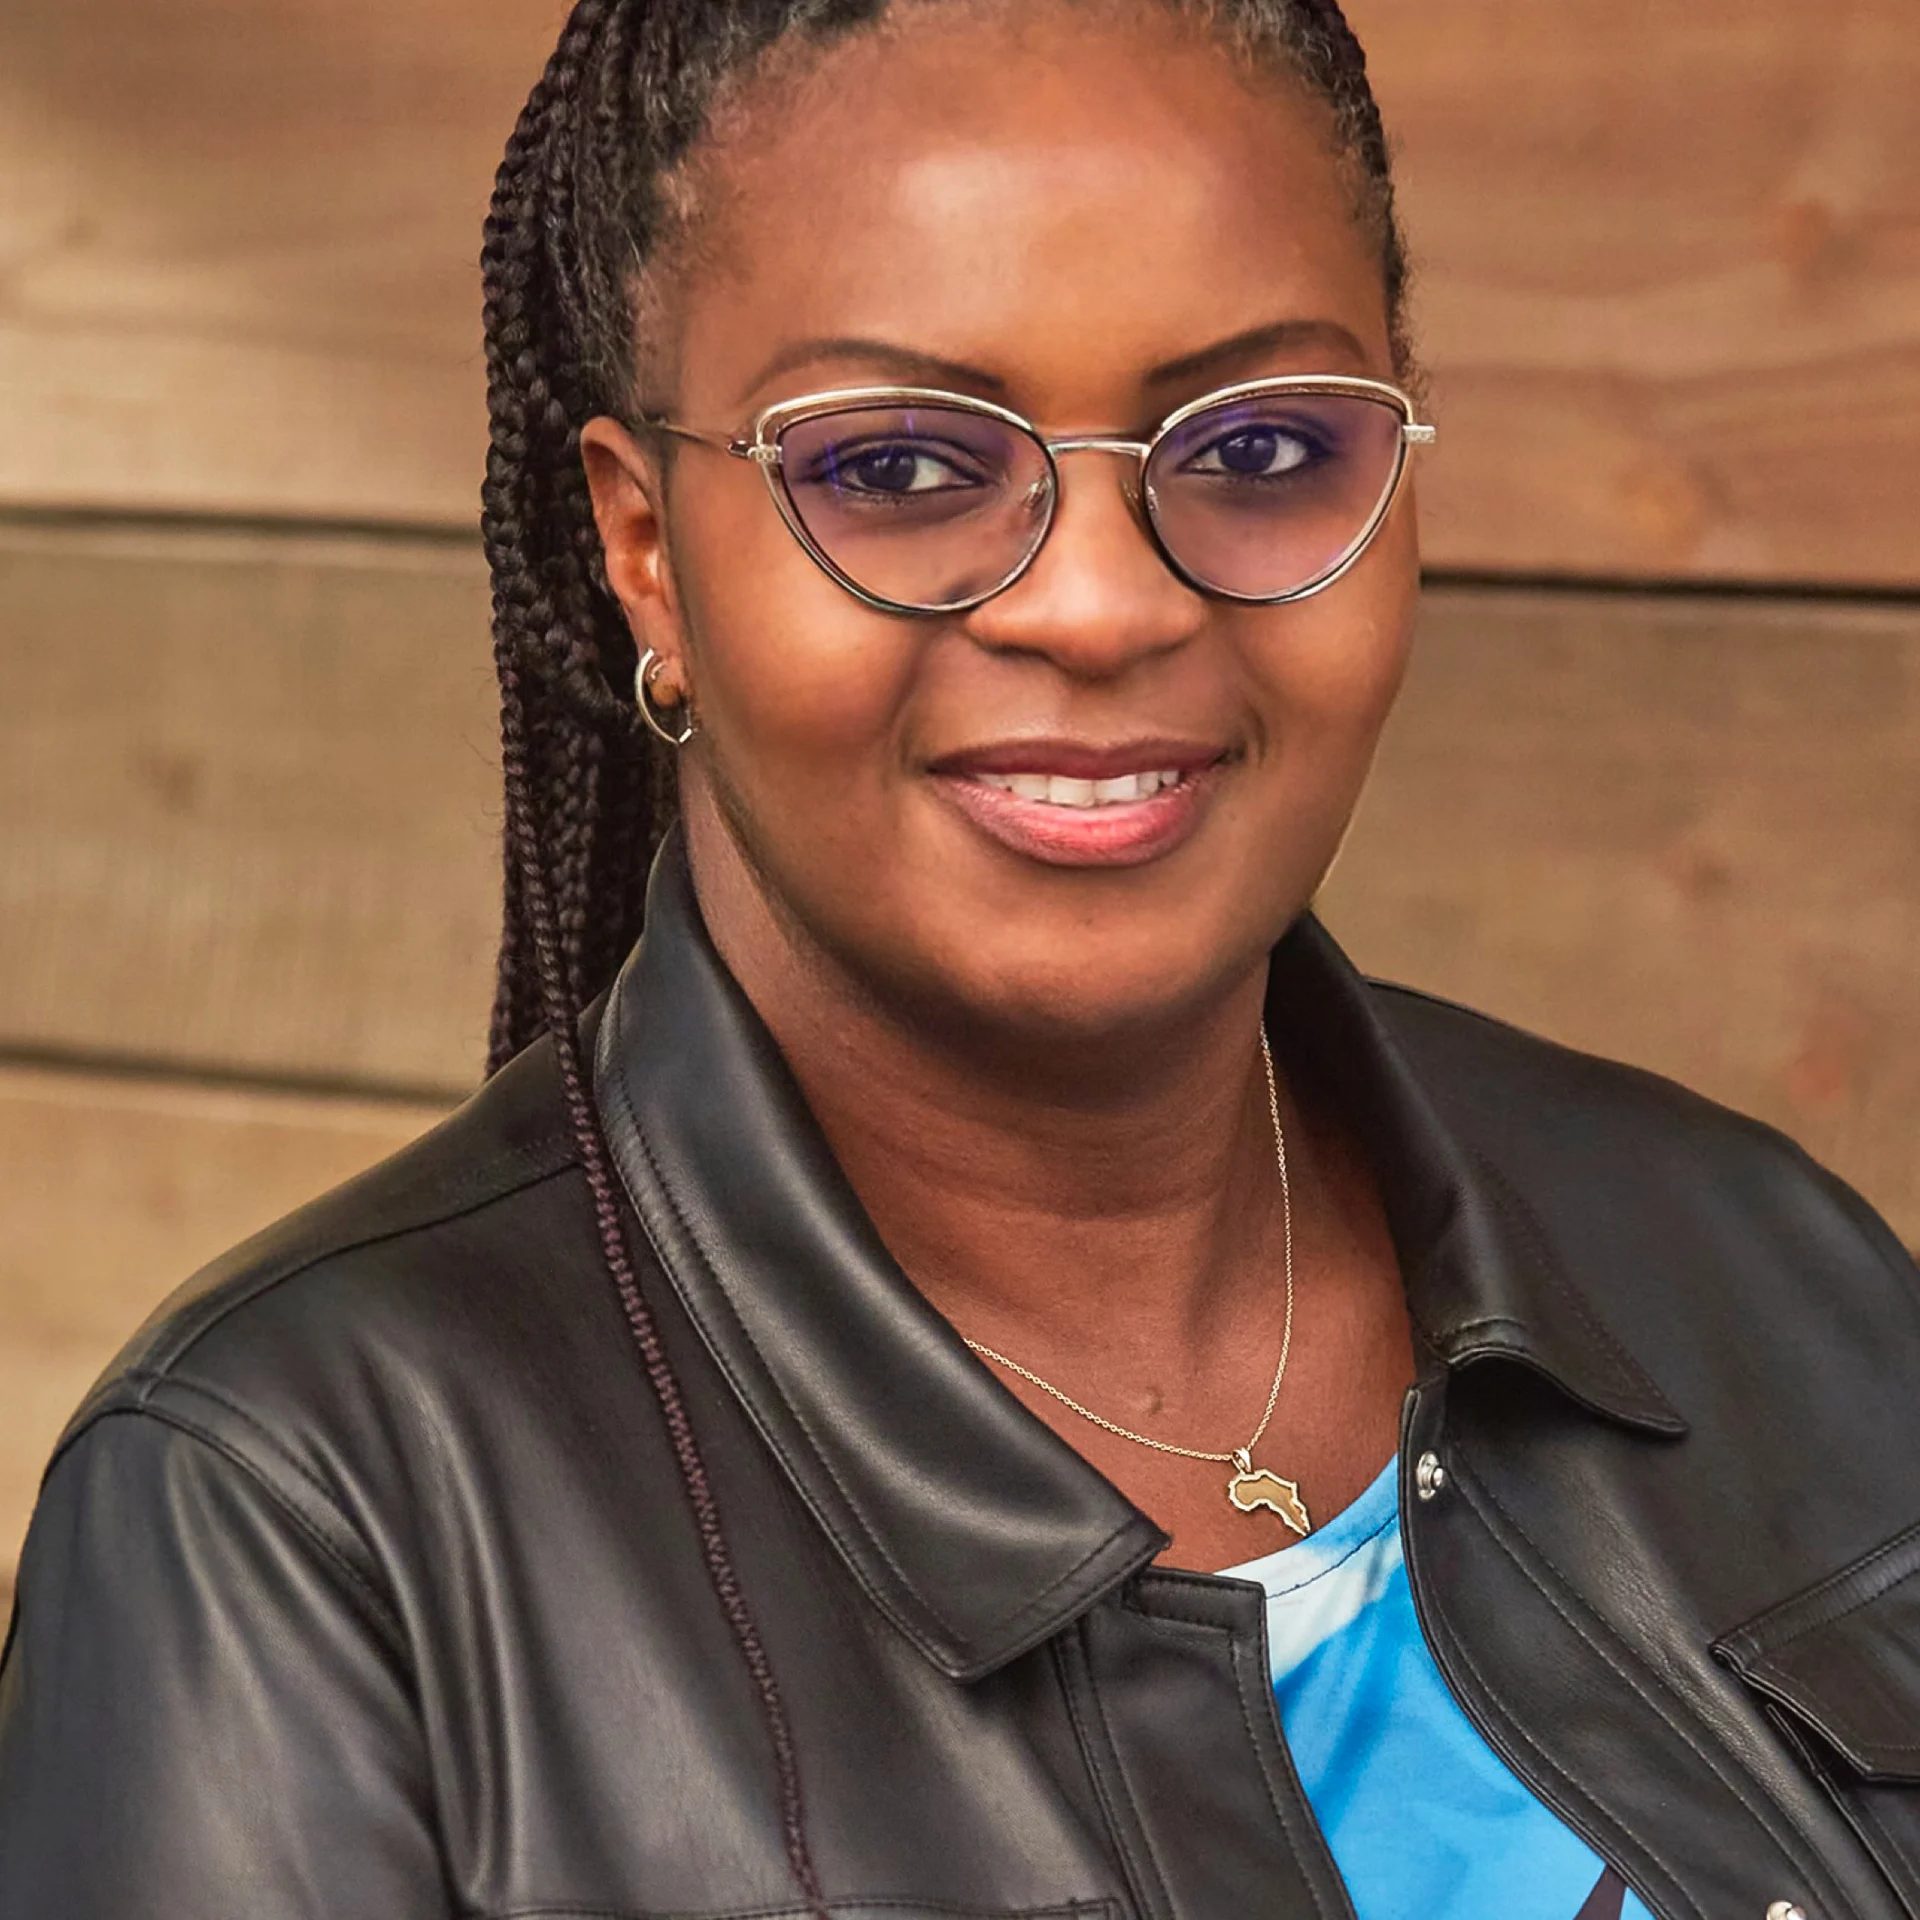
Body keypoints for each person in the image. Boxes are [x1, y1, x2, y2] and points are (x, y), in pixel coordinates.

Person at [2, 1, 1917, 1915]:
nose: (1101, 601)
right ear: (648, 546)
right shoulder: (297, 1526)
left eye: (1256, 445)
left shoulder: (1764, 1273)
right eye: (903, 470)